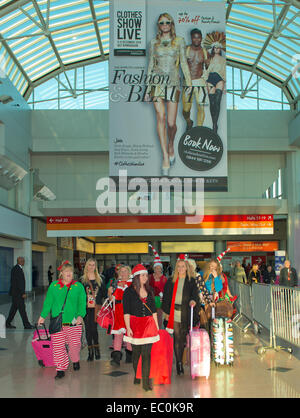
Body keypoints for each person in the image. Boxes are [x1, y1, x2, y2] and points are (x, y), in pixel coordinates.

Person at [145, 13, 192, 176]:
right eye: (161, 23)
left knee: (171, 124)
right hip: (156, 84)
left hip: (173, 84)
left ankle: (171, 144)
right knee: (160, 117)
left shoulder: (179, 41)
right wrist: (147, 88)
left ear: (171, 24)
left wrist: (189, 84)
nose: (164, 25)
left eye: (167, 22)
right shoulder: (153, 43)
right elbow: (151, 65)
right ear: (158, 25)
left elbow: (184, 63)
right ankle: (165, 156)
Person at [37, 260, 86, 380]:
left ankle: (75, 359)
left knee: (74, 345)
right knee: (58, 347)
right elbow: (48, 302)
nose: (69, 273)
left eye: (71, 271)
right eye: (66, 271)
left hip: (74, 323)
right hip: (57, 322)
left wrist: (80, 315)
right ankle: (60, 368)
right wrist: (42, 316)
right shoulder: (54, 286)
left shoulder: (78, 286)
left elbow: (82, 303)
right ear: (61, 273)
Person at [123, 264, 160, 392]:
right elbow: (126, 311)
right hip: (135, 325)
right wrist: (128, 327)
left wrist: (157, 326)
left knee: (146, 354)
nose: (146, 277)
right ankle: (137, 375)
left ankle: (145, 381)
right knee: (136, 354)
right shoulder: (128, 291)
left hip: (149, 325)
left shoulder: (150, 290)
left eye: (146, 275)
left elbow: (154, 310)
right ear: (137, 277)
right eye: (143, 275)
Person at [161, 254, 199, 376]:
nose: (181, 269)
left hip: (185, 313)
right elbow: (166, 298)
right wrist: (166, 313)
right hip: (174, 313)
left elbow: (195, 296)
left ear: (187, 267)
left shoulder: (191, 281)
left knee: (182, 338)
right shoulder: (170, 281)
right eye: (179, 266)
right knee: (177, 337)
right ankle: (179, 363)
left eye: (183, 266)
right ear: (176, 268)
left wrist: (193, 301)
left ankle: (180, 359)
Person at [182, 28, 210, 131]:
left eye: (198, 37)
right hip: (188, 82)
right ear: (191, 38)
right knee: (185, 110)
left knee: (201, 107)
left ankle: (199, 130)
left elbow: (208, 68)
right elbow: (179, 64)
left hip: (200, 81)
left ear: (201, 38)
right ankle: (189, 121)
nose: (197, 40)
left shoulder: (205, 52)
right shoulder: (186, 49)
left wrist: (208, 64)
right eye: (194, 37)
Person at [80, 258, 106, 362]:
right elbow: (79, 295)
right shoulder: (82, 280)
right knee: (88, 329)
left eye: (93, 265)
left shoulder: (100, 279)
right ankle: (90, 352)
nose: (91, 267)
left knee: (94, 329)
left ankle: (97, 349)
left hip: (96, 308)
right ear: (87, 266)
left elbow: (104, 294)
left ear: (96, 266)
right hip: (86, 308)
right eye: (89, 265)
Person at [108, 264, 133, 366]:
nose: (123, 273)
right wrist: (110, 294)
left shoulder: (134, 284)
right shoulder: (114, 283)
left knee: (129, 334)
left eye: (125, 271)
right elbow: (110, 299)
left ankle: (130, 355)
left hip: (129, 312)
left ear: (129, 272)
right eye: (121, 272)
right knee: (118, 335)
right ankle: (116, 358)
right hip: (117, 312)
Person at [6, 257, 34, 330]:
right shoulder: (17, 269)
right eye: (23, 261)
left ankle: (7, 323)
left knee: (14, 309)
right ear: (19, 261)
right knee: (22, 309)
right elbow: (19, 283)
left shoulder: (16, 268)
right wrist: (22, 293)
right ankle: (26, 325)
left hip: (15, 293)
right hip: (18, 293)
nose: (24, 262)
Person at [206, 39, 226, 133]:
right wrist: (205, 81)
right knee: (212, 102)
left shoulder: (223, 60)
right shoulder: (209, 59)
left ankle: (214, 125)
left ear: (220, 49)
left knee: (217, 102)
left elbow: (224, 72)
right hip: (210, 79)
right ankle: (214, 123)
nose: (216, 49)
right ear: (213, 48)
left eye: (218, 47)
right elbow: (206, 71)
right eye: (215, 47)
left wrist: (224, 85)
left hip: (219, 79)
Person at [148, 245, 168, 328]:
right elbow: (146, 288)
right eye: (156, 268)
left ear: (161, 269)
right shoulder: (149, 277)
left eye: (159, 268)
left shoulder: (164, 278)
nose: (158, 270)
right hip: (151, 300)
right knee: (151, 317)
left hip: (160, 301)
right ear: (154, 268)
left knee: (159, 317)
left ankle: (158, 332)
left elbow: (167, 290)